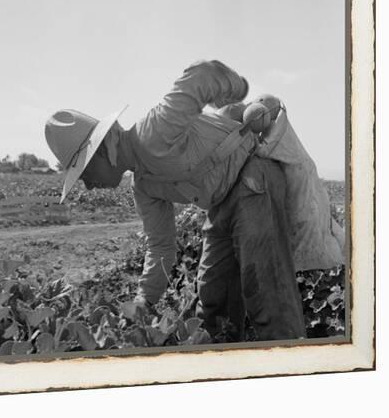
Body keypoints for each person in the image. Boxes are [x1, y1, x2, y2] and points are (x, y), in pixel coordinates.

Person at [45, 59, 307, 341]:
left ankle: (295, 366)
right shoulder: (143, 186)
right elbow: (160, 247)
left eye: (83, 171)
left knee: (266, 291)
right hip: (221, 202)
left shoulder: (154, 131)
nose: (87, 184)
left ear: (103, 150)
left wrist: (238, 89)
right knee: (213, 300)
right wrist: (144, 300)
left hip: (254, 180)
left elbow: (202, 74)